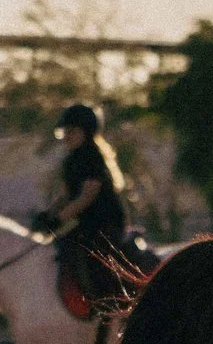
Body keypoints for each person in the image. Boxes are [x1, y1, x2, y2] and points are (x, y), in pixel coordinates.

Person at [34, 102, 136, 296]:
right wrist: (48, 214)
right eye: (65, 132)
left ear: (86, 132)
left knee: (94, 261)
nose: (66, 136)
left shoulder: (92, 158)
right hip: (86, 223)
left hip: (105, 224)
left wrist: (58, 219)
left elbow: (86, 197)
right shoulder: (71, 160)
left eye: (71, 131)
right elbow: (65, 196)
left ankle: (107, 304)